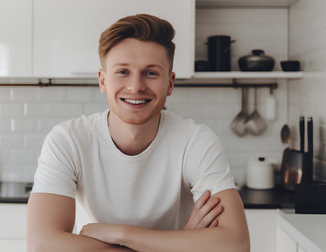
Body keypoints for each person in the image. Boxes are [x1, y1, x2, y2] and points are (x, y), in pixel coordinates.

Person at [27, 14, 249, 252]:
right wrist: (182, 243)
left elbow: (236, 245)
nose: (135, 86)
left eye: (151, 73)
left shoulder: (196, 141)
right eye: (122, 71)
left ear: (170, 83)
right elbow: (42, 245)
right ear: (102, 81)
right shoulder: (68, 140)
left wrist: (121, 233)